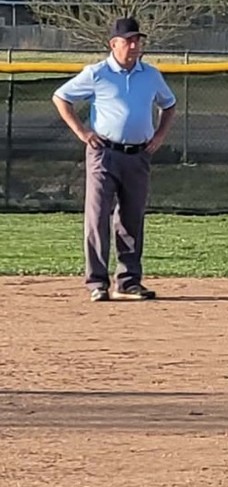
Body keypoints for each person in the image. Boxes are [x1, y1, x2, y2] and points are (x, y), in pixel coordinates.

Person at [52, 17, 177, 302]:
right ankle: (97, 282)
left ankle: (128, 282)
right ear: (113, 44)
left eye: (137, 40)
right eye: (128, 40)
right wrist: (82, 132)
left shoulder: (150, 75)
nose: (134, 46)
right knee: (97, 216)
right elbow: (61, 97)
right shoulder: (97, 73)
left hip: (138, 154)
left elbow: (169, 105)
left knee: (132, 217)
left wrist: (159, 136)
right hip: (104, 153)